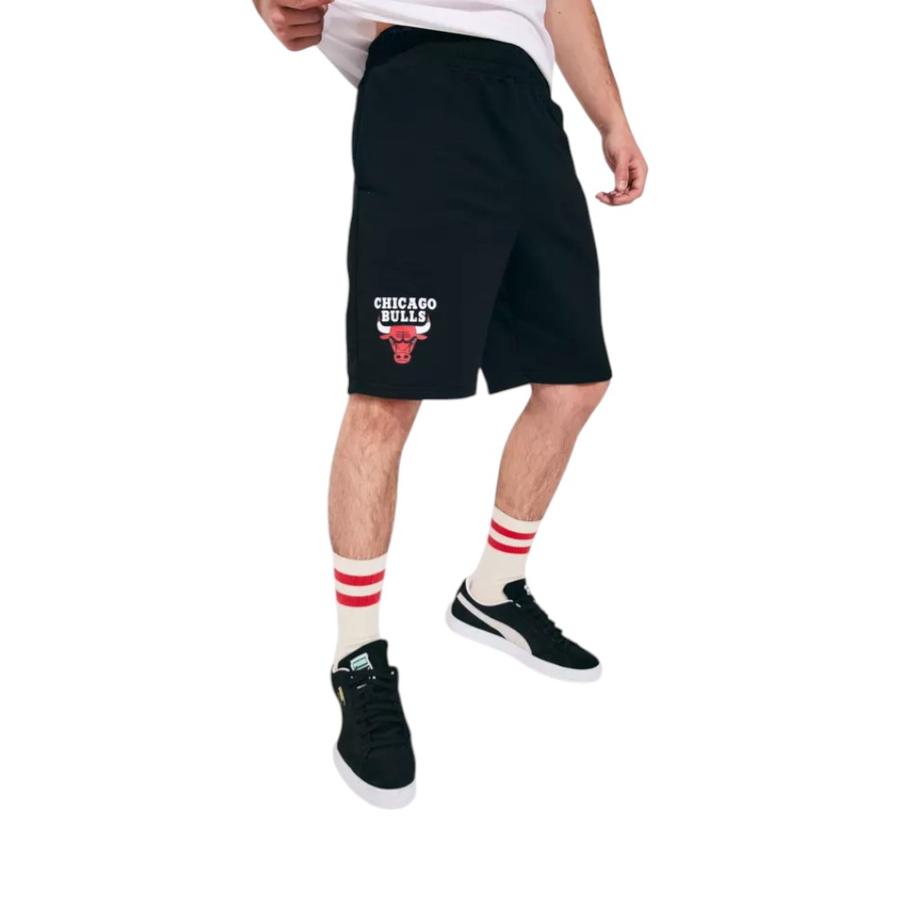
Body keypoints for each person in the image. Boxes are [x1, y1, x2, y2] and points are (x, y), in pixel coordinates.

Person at [253, 0, 647, 808]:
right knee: (388, 393)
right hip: (421, 80)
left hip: (526, 99)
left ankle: (493, 590)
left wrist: (612, 120)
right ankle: (357, 656)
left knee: (575, 378)